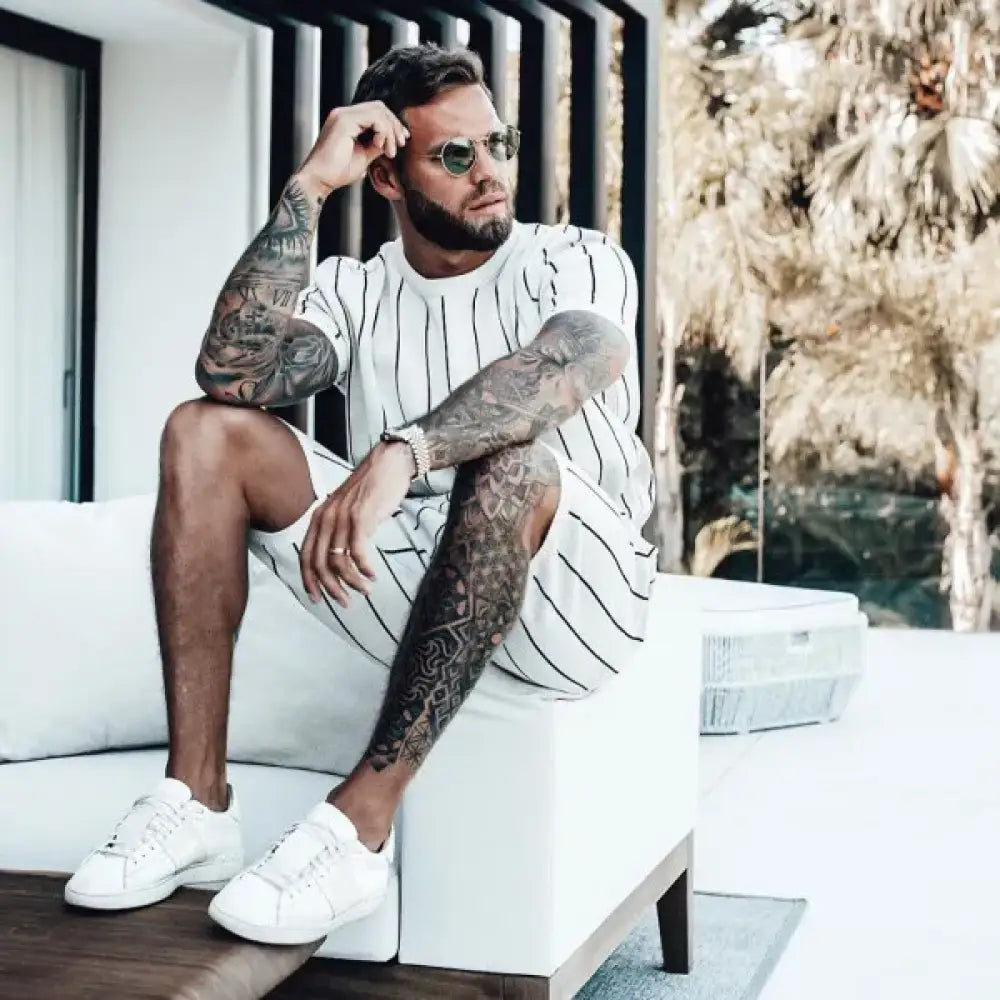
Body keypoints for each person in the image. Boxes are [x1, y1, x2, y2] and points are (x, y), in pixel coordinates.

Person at [64, 43, 657, 946]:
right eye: (455, 156)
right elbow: (231, 371)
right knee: (201, 430)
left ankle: (357, 829)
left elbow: (568, 362)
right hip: (416, 574)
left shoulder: (572, 258)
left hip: (577, 591)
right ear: (387, 175)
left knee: (512, 457)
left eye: (496, 144)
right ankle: (196, 802)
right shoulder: (356, 290)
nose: (490, 173)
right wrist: (307, 187)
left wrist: (405, 453)